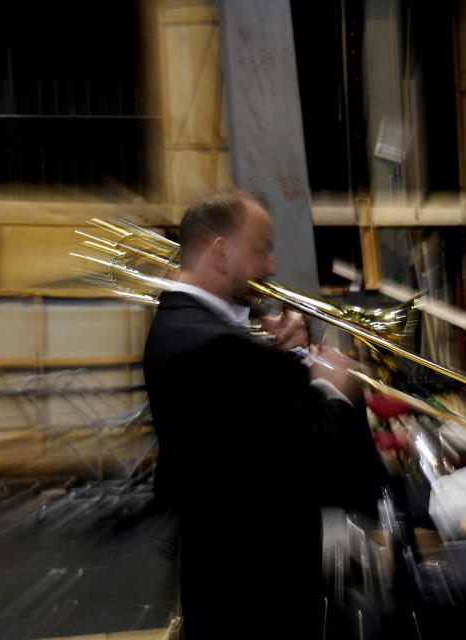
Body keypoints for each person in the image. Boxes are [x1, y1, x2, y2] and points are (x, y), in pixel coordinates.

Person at [142, 189, 385, 638]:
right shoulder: (215, 346)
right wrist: (333, 385)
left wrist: (276, 349)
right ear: (220, 251)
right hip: (256, 596)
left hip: (224, 574)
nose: (271, 267)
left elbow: (249, 426)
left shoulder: (182, 320)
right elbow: (317, 464)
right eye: (261, 250)